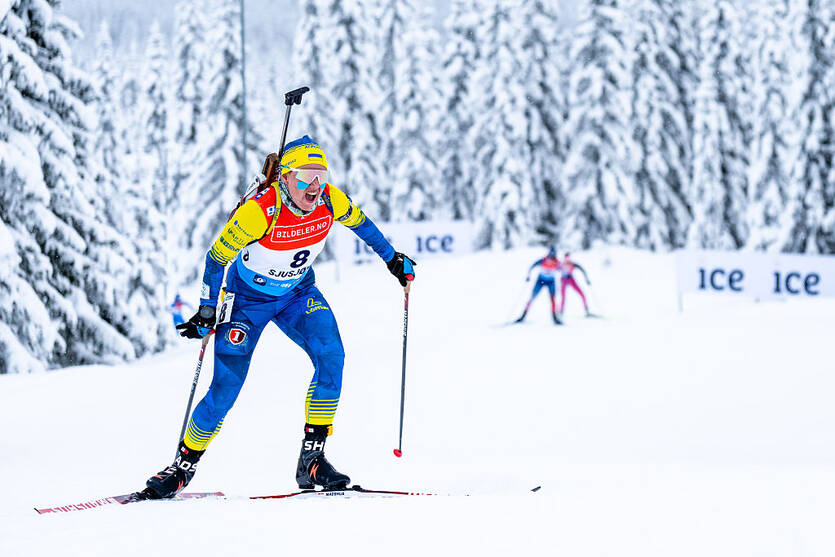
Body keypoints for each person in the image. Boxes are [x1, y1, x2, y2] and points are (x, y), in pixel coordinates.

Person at [144, 136, 416, 498]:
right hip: (246, 301)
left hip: (297, 295)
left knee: (331, 356)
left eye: (320, 176)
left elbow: (363, 225)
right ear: (285, 177)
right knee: (226, 388)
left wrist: (391, 258)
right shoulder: (260, 210)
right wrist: (208, 309)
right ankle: (182, 467)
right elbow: (216, 258)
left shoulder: (331, 200)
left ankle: (312, 461)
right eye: (304, 177)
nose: (314, 187)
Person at [515, 247, 562, 325]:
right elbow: (532, 266)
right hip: (540, 281)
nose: (551, 257)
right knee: (532, 297)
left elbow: (562, 269)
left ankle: (555, 317)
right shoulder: (542, 260)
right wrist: (528, 276)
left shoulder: (557, 262)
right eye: (551, 255)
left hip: (551, 282)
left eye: (553, 255)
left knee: (553, 299)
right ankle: (523, 315)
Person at [559, 252, 591, 317]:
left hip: (571, 279)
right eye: (566, 259)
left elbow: (581, 269)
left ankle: (586, 310)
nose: (567, 260)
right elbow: (553, 268)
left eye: (568, 259)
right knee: (563, 297)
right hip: (564, 280)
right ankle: (561, 311)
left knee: (581, 293)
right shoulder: (561, 264)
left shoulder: (572, 264)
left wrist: (586, 279)